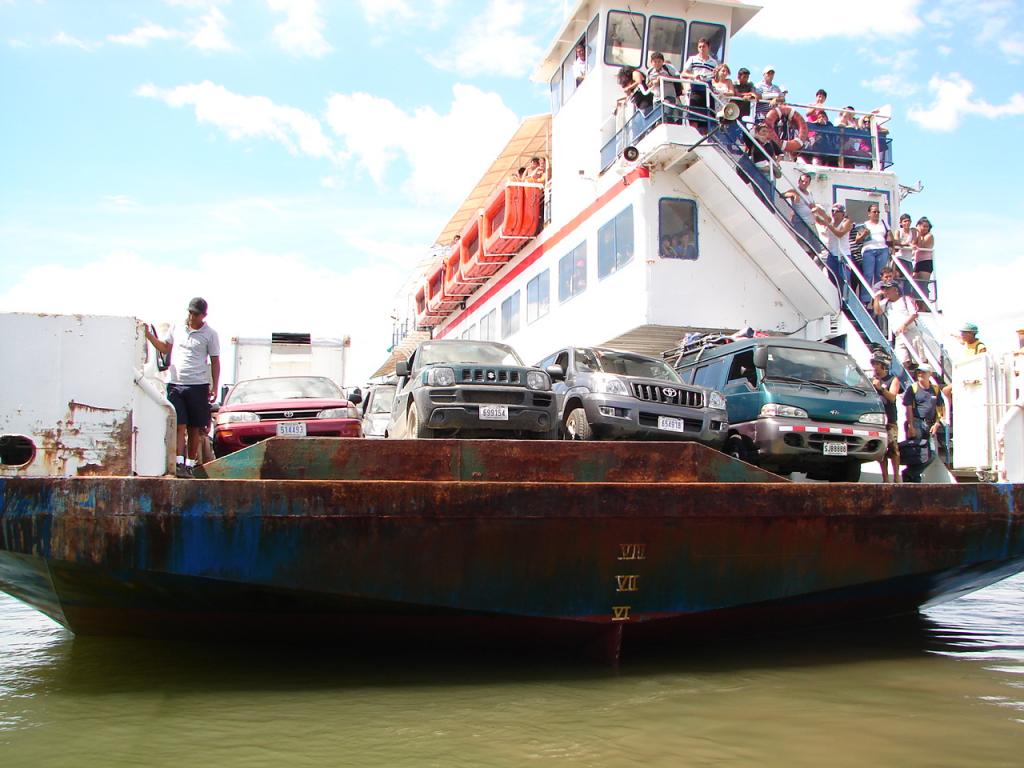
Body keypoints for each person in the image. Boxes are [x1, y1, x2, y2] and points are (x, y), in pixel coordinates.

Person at [144, 297, 220, 478]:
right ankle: (178, 463)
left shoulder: (210, 334)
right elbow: (164, 348)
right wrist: (148, 335)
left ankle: (190, 464)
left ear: (203, 315)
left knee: (194, 427)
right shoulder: (177, 328)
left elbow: (215, 361)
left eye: (195, 314)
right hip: (176, 383)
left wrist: (215, 386)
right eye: (190, 312)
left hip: (198, 385)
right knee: (179, 424)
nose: (192, 316)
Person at [902, 364, 945, 482]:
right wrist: (911, 426)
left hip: (930, 424)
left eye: (923, 372)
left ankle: (910, 473)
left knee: (932, 453)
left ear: (929, 374)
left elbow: (940, 407)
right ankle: (914, 480)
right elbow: (909, 408)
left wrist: (937, 423)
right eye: (919, 372)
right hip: (917, 422)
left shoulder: (935, 389)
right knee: (915, 453)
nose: (920, 374)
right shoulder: (913, 388)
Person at [873, 281, 925, 367]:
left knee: (919, 361)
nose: (886, 291)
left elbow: (914, 314)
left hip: (912, 333)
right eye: (884, 289)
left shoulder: (906, 299)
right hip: (899, 335)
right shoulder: (886, 302)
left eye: (888, 289)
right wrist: (877, 297)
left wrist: (904, 325)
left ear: (895, 289)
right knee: (902, 361)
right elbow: (877, 311)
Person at [870, 353, 902, 483]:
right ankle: (885, 479)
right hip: (877, 420)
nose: (875, 368)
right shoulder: (871, 380)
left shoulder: (892, 380)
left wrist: (880, 389)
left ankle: (896, 477)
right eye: (873, 365)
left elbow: (893, 397)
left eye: (877, 364)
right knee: (881, 451)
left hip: (890, 420)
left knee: (893, 449)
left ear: (883, 366)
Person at [854, 203, 891, 303]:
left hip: (882, 249)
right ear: (869, 213)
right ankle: (865, 300)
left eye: (878, 212)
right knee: (868, 275)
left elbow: (889, 236)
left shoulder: (883, 223)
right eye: (874, 212)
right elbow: (857, 240)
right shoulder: (864, 225)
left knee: (880, 276)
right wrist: (864, 235)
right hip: (869, 250)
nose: (876, 213)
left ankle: (878, 299)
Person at [682, 38, 718, 130]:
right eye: (700, 47)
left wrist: (715, 75)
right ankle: (694, 138)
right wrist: (694, 76)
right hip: (696, 90)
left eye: (704, 46)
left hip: (708, 92)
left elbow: (716, 79)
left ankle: (705, 140)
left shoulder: (714, 63)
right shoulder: (692, 59)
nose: (701, 48)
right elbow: (683, 74)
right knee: (694, 117)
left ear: (708, 47)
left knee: (708, 118)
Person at [820, 203, 853, 290]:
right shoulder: (831, 222)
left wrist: (828, 224)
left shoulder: (846, 222)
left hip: (843, 254)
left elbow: (840, 234)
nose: (834, 213)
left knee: (844, 279)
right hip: (832, 254)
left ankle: (845, 299)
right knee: (832, 278)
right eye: (832, 211)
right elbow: (819, 217)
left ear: (843, 213)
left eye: (837, 211)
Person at [782, 171, 824, 238]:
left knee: (816, 246)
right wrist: (794, 194)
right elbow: (783, 195)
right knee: (803, 244)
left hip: (811, 223)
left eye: (806, 182)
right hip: (801, 223)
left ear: (809, 183)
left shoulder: (810, 192)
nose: (804, 183)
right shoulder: (794, 190)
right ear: (799, 182)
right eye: (802, 181)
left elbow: (813, 206)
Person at [912, 216, 935, 301]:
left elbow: (921, 245)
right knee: (916, 285)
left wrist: (918, 232)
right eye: (923, 226)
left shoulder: (929, 236)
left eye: (927, 226)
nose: (925, 228)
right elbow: (914, 243)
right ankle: (919, 304)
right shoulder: (919, 236)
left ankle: (925, 305)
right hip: (918, 262)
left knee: (923, 285)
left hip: (926, 262)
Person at [892, 213, 916, 281]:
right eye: (905, 221)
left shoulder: (913, 231)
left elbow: (913, 243)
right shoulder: (898, 231)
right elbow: (896, 242)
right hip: (899, 258)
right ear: (901, 223)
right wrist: (906, 244)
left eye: (908, 221)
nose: (907, 223)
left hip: (908, 260)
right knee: (898, 279)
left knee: (908, 282)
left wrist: (904, 244)